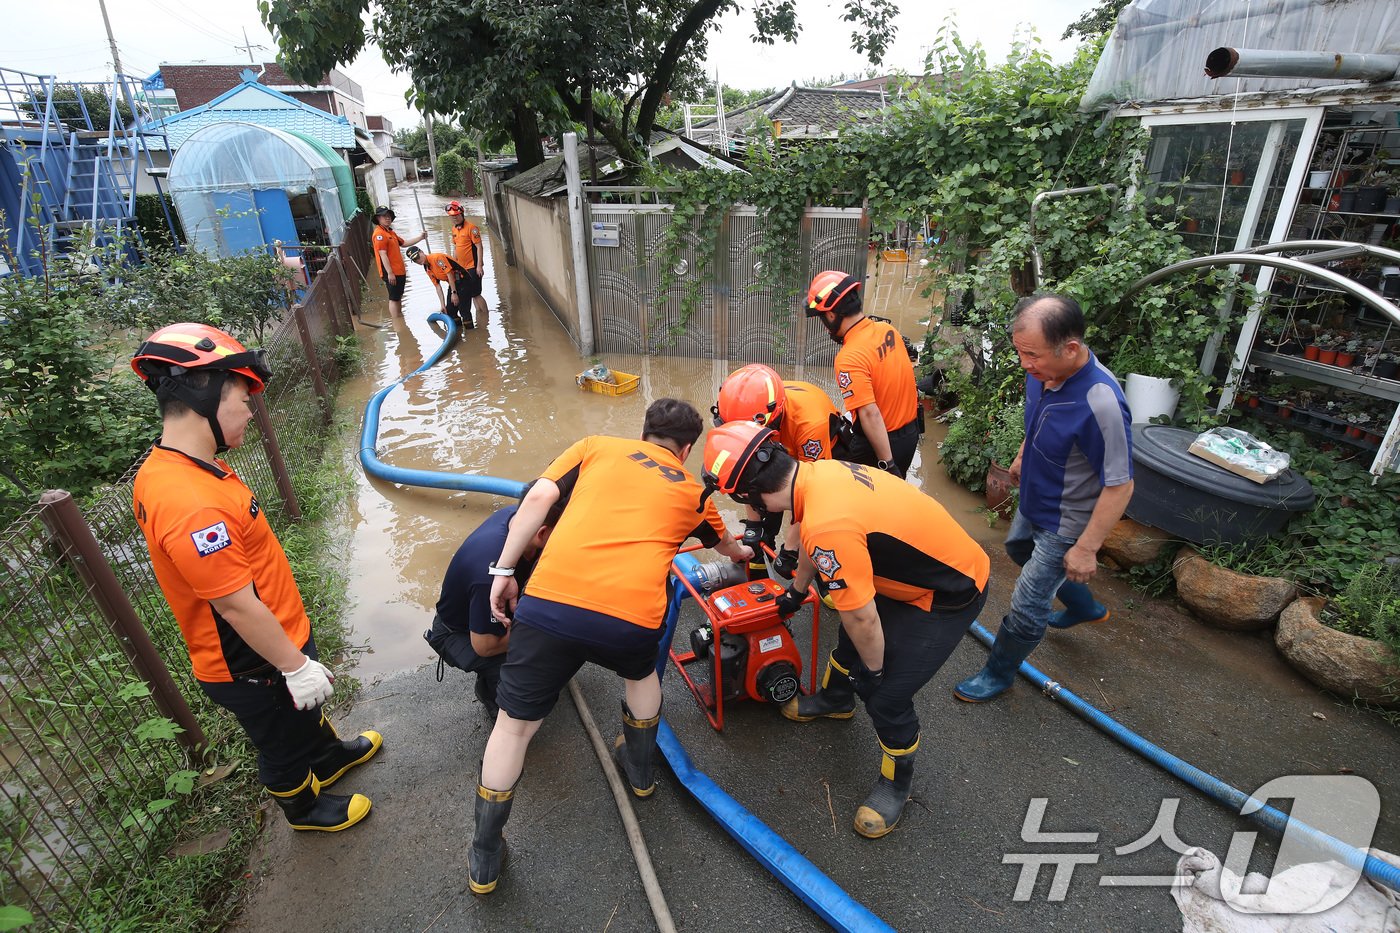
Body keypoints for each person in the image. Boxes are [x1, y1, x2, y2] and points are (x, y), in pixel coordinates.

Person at [468, 399, 753, 895]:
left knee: (512, 730)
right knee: (640, 677)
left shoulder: (595, 448)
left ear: (643, 433)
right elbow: (724, 546)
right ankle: (640, 773)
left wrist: (503, 570)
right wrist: (748, 550)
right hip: (629, 621)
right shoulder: (692, 491)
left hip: (550, 605)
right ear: (686, 450)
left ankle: (485, 854)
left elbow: (536, 499)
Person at [130, 323, 382, 832]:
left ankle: (329, 758)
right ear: (203, 395)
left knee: (301, 715)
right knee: (280, 739)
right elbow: (236, 606)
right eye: (241, 398)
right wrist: (293, 666)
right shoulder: (191, 505)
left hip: (275, 640)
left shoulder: (189, 466)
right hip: (252, 659)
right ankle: (304, 809)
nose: (250, 409)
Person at [702, 420, 990, 838]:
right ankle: (837, 700)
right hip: (903, 573)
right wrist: (796, 592)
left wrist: (874, 675)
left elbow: (860, 614)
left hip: (949, 591)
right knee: (848, 647)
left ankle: (896, 785)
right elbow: (814, 545)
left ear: (750, 497)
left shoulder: (827, 524)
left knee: (888, 694)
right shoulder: (818, 475)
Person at [953, 293, 1134, 703]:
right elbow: (1037, 420)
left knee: (1027, 602)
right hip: (1035, 497)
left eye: (1031, 355)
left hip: (1066, 520)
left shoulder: (1100, 402)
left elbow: (1121, 484)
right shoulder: (1042, 371)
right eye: (1020, 353)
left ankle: (998, 673)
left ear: (1070, 348)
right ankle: (1083, 606)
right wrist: (1020, 454)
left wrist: (1087, 548)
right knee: (1018, 548)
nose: (1024, 365)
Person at [424, 483, 566, 716]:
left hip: (498, 608)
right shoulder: (487, 576)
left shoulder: (521, 517)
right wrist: (545, 633)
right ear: (542, 533)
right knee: (530, 670)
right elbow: (485, 646)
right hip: (460, 634)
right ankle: (496, 696)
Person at [712, 362, 845, 579]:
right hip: (779, 442)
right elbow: (744, 473)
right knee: (762, 525)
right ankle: (762, 555)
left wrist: (791, 548)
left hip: (820, 448)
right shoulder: (735, 409)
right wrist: (754, 525)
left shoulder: (809, 425)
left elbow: (811, 494)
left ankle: (823, 577)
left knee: (822, 521)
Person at [804, 270, 922, 478]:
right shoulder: (888, 331)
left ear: (831, 315)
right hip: (910, 435)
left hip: (881, 445)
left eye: (822, 320)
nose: (825, 328)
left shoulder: (849, 357)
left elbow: (870, 413)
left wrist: (887, 464)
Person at [371, 206, 427, 318]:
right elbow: (383, 254)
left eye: (389, 216)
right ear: (378, 218)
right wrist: (390, 273)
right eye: (384, 216)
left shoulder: (391, 232)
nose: (387, 218)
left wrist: (420, 238)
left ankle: (400, 317)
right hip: (391, 272)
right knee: (393, 298)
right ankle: (397, 322)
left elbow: (404, 243)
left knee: (398, 296)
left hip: (399, 270)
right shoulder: (379, 234)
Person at [405, 245, 475, 328]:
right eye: (415, 260)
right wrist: (442, 305)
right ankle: (457, 333)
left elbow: (449, 274)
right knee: (450, 311)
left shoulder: (437, 258)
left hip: (464, 281)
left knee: (464, 311)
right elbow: (437, 286)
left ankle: (471, 335)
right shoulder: (427, 268)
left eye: (418, 257)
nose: (418, 260)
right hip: (453, 283)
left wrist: (454, 293)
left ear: (421, 252)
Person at [446, 201, 488, 321]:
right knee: (470, 294)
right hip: (462, 269)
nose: (454, 218)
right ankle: (480, 318)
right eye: (452, 217)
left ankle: (485, 318)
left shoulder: (472, 228)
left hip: (472, 267)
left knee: (476, 294)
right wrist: (454, 264)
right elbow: (456, 247)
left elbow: (479, 247)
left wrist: (479, 266)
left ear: (462, 214)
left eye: (456, 216)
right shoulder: (454, 229)